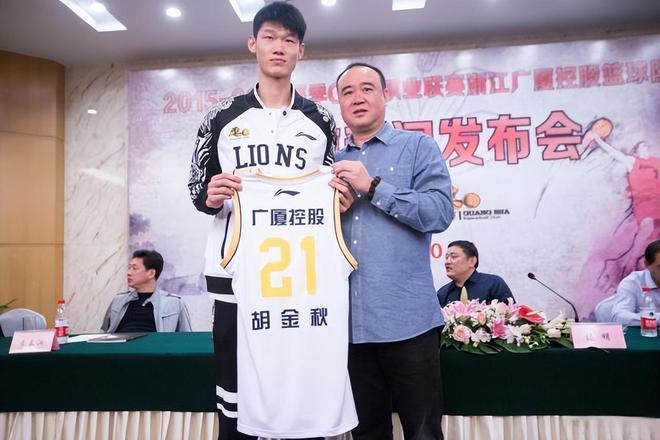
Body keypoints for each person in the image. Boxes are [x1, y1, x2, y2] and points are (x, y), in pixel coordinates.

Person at [187, 3, 351, 439]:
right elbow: (196, 188)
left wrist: (340, 199)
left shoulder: (320, 119)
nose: (279, 47)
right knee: (236, 394)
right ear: (252, 44)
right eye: (270, 37)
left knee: (299, 386)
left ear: (301, 50)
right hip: (235, 273)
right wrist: (210, 195)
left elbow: (330, 190)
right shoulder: (221, 116)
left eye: (289, 40)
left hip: (300, 278)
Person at [331, 62, 454, 440]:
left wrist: (373, 187)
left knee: (423, 433)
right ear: (339, 103)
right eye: (347, 92)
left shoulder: (417, 147)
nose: (357, 98)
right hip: (348, 325)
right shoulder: (328, 164)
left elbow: (439, 212)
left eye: (367, 88)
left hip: (408, 322)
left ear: (386, 95)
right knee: (366, 433)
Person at [101, 249, 191, 333]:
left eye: (134, 268)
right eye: (129, 268)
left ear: (151, 273)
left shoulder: (175, 304)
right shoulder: (118, 301)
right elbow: (104, 334)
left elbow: (187, 339)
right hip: (120, 344)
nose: (129, 272)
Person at [437, 240, 514, 307]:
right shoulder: (442, 293)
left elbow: (511, 315)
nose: (447, 262)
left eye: (453, 257)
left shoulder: (493, 284)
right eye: (446, 257)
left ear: (472, 261)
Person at [611, 239, 660, 326]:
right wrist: (656, 319)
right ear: (647, 264)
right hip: (644, 333)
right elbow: (619, 317)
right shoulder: (632, 283)